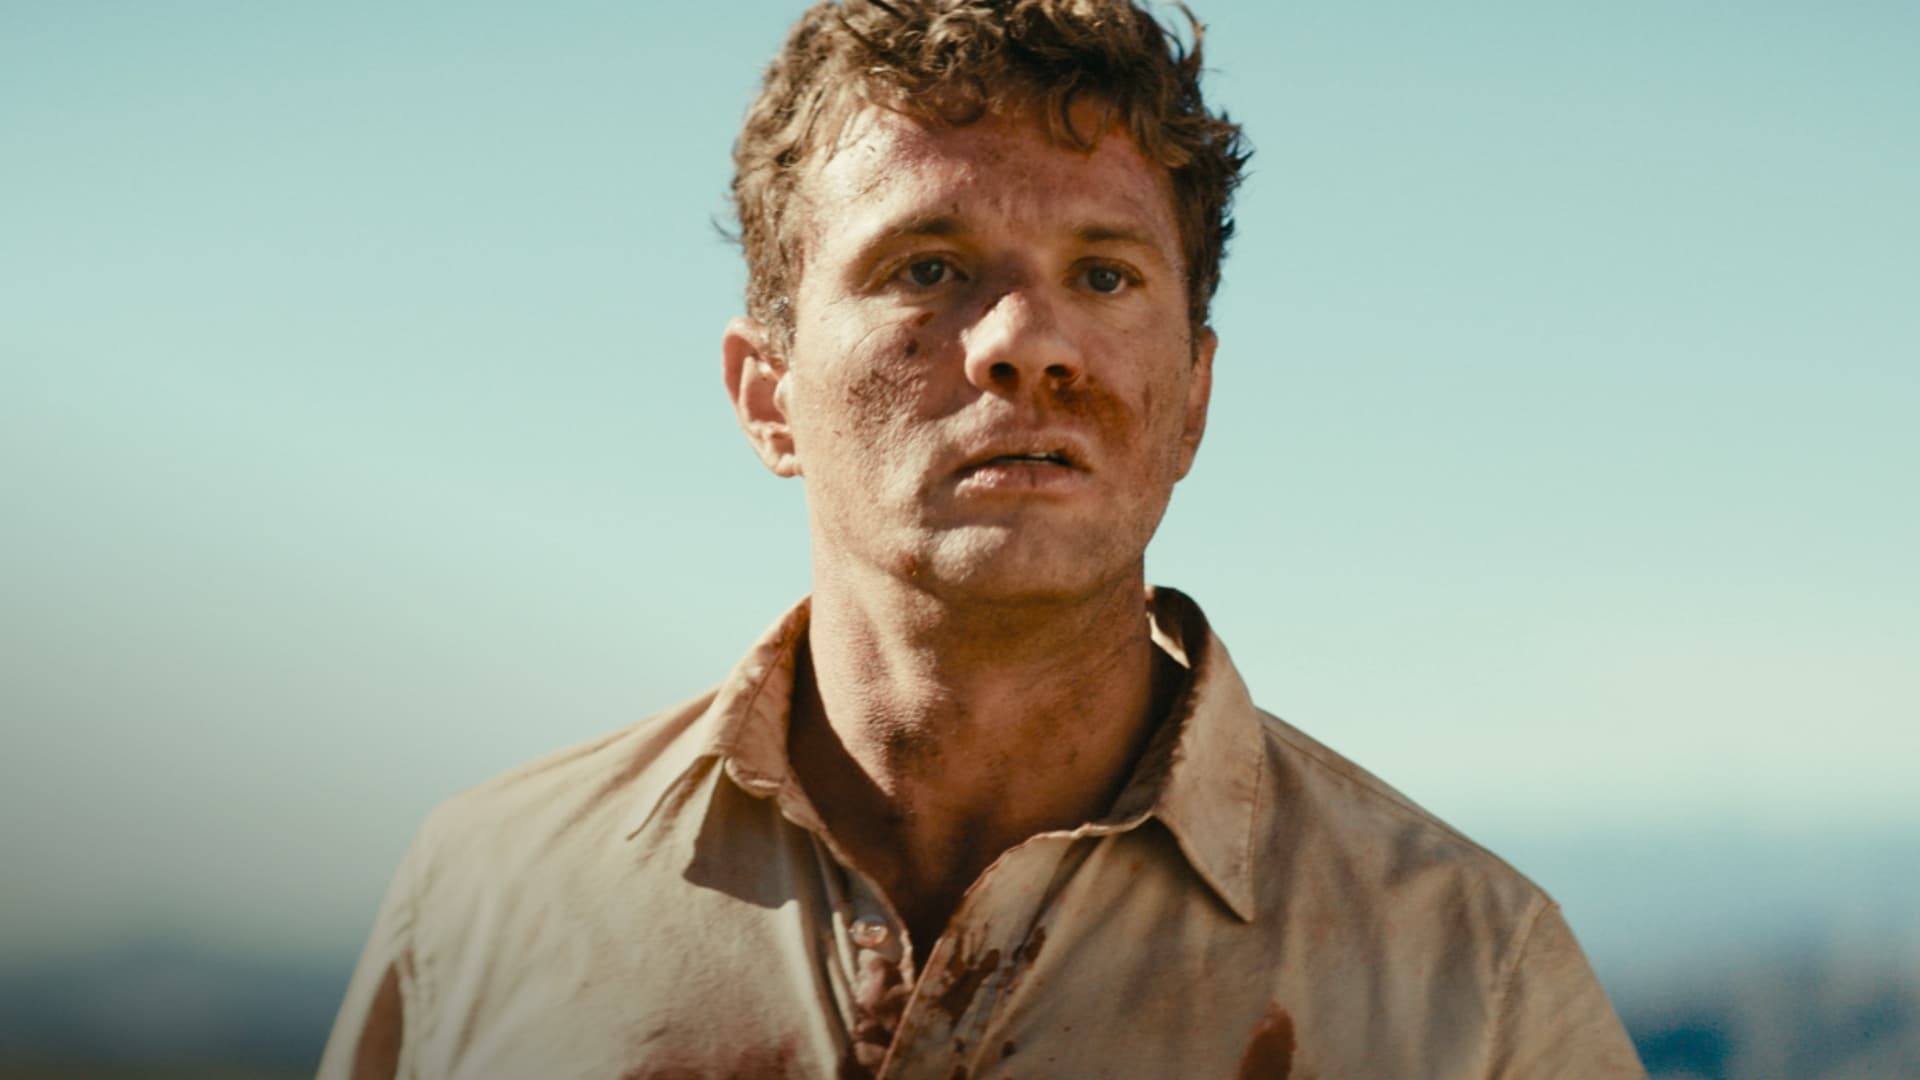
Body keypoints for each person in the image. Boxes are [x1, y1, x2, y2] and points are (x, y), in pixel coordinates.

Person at [320, 1, 1646, 1076]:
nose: (1026, 343)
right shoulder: (488, 902)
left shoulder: (1471, 976)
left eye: (1105, 274)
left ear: (1192, 399)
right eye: (928, 267)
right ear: (768, 394)